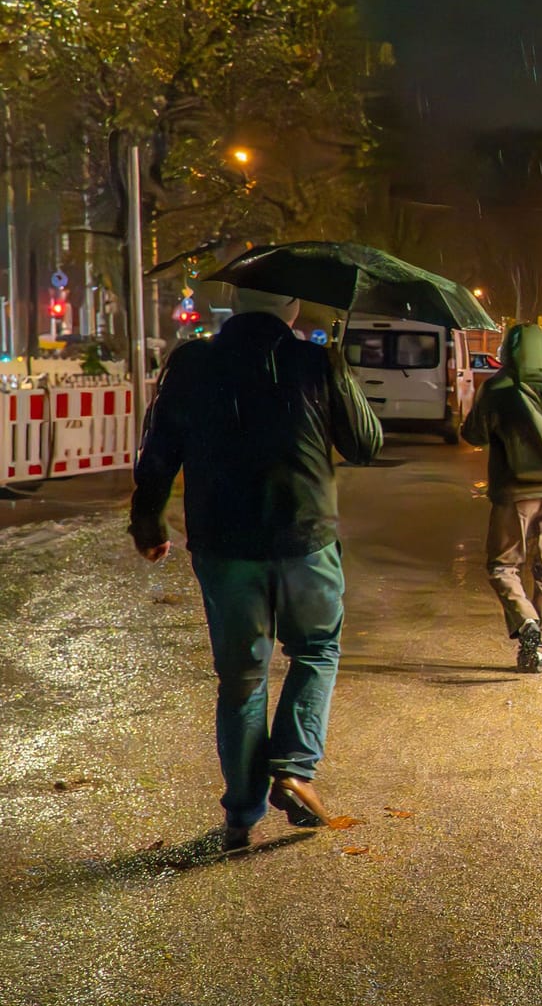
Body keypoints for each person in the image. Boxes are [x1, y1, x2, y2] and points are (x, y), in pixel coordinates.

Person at [130, 288, 382, 850]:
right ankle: (293, 769)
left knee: (242, 679)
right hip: (305, 538)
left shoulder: (191, 363)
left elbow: (158, 448)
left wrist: (148, 521)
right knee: (315, 650)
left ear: (236, 305)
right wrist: (338, 366)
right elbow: (365, 445)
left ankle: (241, 814)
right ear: (293, 307)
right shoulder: (315, 361)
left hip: (223, 545)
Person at [460, 323, 542, 673]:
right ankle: (539, 650)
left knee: (502, 566)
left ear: (509, 351)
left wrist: (479, 399)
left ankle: (527, 622)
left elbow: (473, 434)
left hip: (513, 495)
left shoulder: (498, 390)